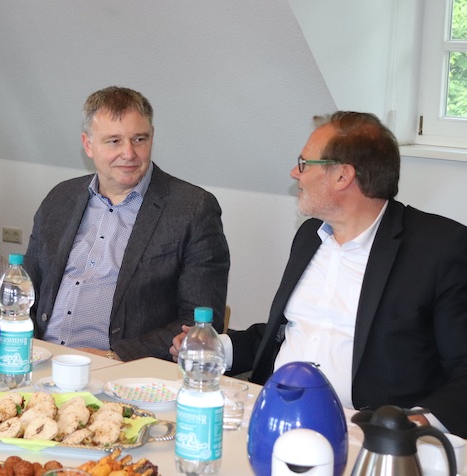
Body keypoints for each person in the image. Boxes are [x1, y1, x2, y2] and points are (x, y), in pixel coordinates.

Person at [170, 111, 467, 437]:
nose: (294, 173)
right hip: (274, 414)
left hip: (363, 432)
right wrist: (217, 347)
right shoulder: (311, 235)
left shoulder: (439, 249)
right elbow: (290, 331)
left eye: (304, 163)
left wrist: (415, 425)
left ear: (343, 176)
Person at [24, 86, 230, 362]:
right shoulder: (59, 198)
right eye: (113, 141)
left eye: (139, 139)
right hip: (42, 358)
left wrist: (115, 356)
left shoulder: (192, 208)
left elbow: (200, 320)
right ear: (88, 145)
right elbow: (28, 290)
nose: (129, 153)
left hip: (123, 370)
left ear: (152, 137)